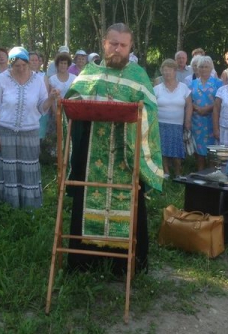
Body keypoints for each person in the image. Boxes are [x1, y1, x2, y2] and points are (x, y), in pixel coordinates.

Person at [65, 23, 164, 273]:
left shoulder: (138, 76)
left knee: (129, 201)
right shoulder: (90, 73)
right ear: (104, 43)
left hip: (125, 155)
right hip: (92, 154)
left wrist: (135, 115)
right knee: (87, 196)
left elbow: (150, 113)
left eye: (123, 45)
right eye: (113, 43)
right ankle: (85, 262)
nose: (117, 49)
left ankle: (125, 265)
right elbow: (72, 103)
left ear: (130, 47)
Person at [0, 47, 59, 209]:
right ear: (10, 65)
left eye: (24, 65)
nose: (20, 69)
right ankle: (8, 206)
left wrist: (51, 97)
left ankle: (29, 206)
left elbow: (42, 107)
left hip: (29, 132)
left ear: (28, 63)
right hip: (5, 132)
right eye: (16, 66)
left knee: (28, 168)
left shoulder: (38, 80)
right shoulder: (1, 79)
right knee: (8, 168)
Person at [154, 59, 192, 178]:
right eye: (164, 70)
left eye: (169, 70)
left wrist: (187, 120)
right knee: (163, 148)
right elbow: (152, 106)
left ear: (175, 71)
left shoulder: (184, 87)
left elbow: (189, 105)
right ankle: (165, 172)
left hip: (177, 124)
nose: (167, 73)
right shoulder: (157, 88)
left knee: (177, 149)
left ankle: (178, 173)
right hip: (161, 123)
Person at [188, 56, 223, 170]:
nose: (203, 69)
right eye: (201, 67)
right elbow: (188, 101)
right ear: (197, 69)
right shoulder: (192, 84)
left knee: (212, 150)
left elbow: (221, 101)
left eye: (206, 67)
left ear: (211, 68)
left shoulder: (218, 83)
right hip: (197, 121)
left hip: (212, 121)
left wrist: (207, 108)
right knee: (199, 151)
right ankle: (200, 173)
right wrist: (197, 108)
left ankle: (212, 173)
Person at [45, 52, 77, 139]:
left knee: (69, 137)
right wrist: (56, 113)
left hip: (70, 112)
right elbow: (50, 98)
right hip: (56, 111)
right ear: (57, 64)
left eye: (65, 63)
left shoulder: (74, 78)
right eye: (61, 63)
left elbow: (76, 96)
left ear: (68, 65)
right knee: (56, 137)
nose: (63, 65)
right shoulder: (52, 79)